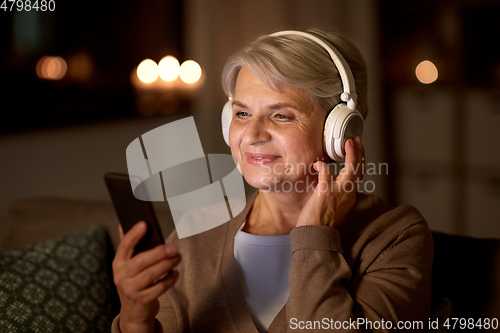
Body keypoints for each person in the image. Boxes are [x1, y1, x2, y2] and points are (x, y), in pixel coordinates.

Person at [111, 29, 433, 332]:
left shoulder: (394, 237)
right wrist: (135, 319)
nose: (251, 135)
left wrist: (315, 236)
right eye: (241, 113)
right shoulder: (196, 229)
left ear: (339, 131)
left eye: (281, 115)